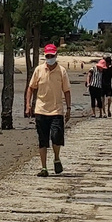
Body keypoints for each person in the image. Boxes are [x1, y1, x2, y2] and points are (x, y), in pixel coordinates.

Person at [25, 44, 72, 177]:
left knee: (56, 137)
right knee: (42, 140)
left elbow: (67, 91)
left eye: (52, 56)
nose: (50, 58)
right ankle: (44, 167)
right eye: (47, 56)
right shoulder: (39, 70)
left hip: (56, 110)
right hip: (40, 109)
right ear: (44, 56)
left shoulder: (62, 71)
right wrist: (28, 105)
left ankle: (56, 157)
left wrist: (68, 108)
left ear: (56, 55)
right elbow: (31, 88)